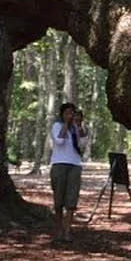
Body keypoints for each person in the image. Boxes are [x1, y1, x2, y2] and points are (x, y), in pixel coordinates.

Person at [48, 103, 87, 242]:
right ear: (62, 114)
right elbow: (59, 141)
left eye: (72, 113)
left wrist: (78, 126)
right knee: (58, 201)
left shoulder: (77, 127)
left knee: (71, 201)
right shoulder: (57, 126)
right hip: (59, 164)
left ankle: (67, 231)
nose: (70, 115)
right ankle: (59, 230)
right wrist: (66, 124)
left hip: (75, 165)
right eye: (67, 113)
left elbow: (82, 145)